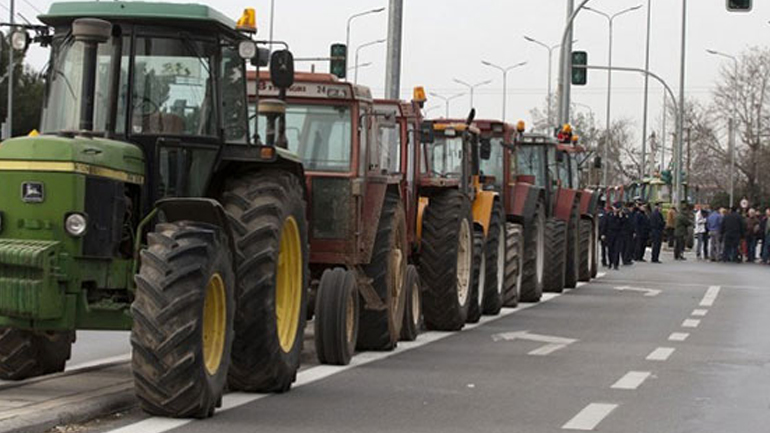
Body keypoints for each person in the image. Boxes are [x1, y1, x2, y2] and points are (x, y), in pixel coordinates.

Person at [606, 203, 624, 270]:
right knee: (610, 249)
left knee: (617, 250)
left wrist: (620, 217)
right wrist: (603, 234)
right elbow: (605, 224)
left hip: (618, 234)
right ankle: (610, 262)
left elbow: (624, 224)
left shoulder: (621, 216)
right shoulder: (609, 215)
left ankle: (616, 264)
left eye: (618, 208)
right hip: (610, 234)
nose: (617, 209)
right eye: (615, 208)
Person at [599, 203, 609, 267]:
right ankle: (604, 261)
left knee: (603, 248)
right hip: (603, 232)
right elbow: (605, 224)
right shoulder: (605, 213)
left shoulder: (595, 212)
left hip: (598, 230)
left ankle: (604, 260)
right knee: (604, 247)